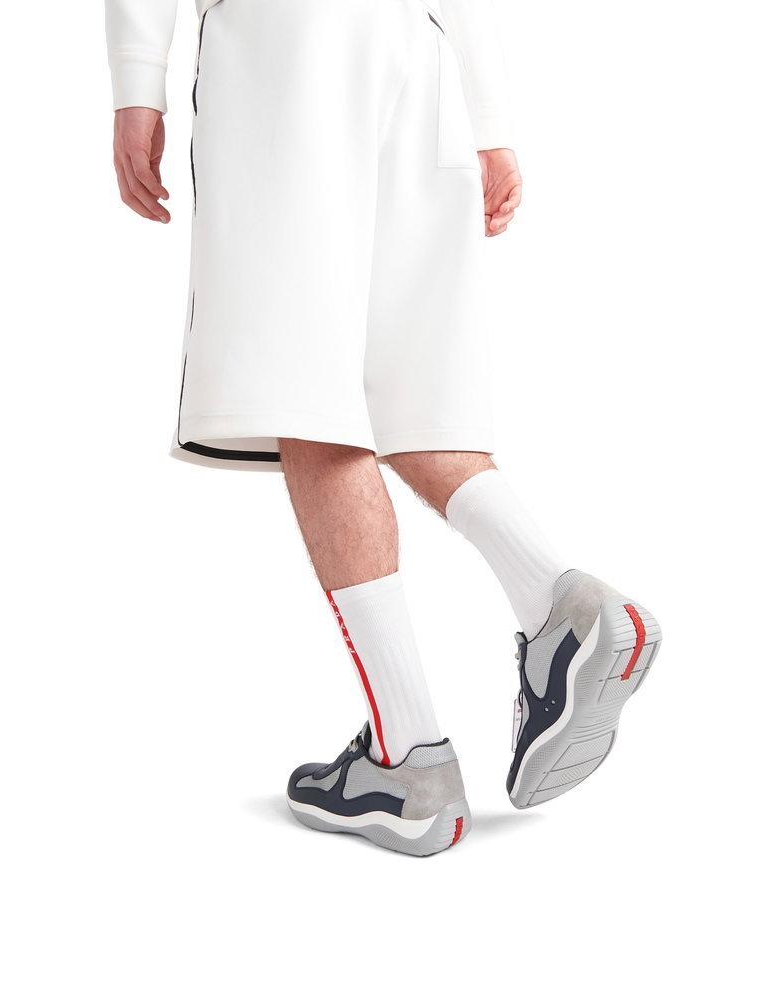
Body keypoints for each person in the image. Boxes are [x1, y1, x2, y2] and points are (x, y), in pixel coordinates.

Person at [105, 0, 662, 857]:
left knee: (303, 398)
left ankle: (408, 758)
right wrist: (488, 115)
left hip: (283, 49)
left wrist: (137, 81)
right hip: (420, 52)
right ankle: (563, 604)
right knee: (413, 399)